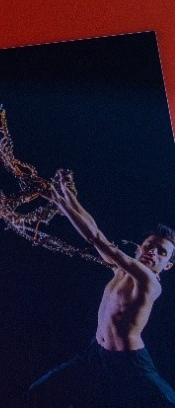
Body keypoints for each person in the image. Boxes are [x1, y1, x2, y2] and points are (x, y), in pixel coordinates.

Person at [27, 171, 175, 406]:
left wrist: (61, 202)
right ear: (138, 248)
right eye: (149, 246)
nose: (153, 252)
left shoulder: (149, 281)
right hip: (96, 355)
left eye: (161, 252)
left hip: (130, 363)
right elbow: (97, 231)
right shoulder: (120, 271)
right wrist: (67, 194)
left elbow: (96, 238)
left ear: (167, 266)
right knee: (40, 391)